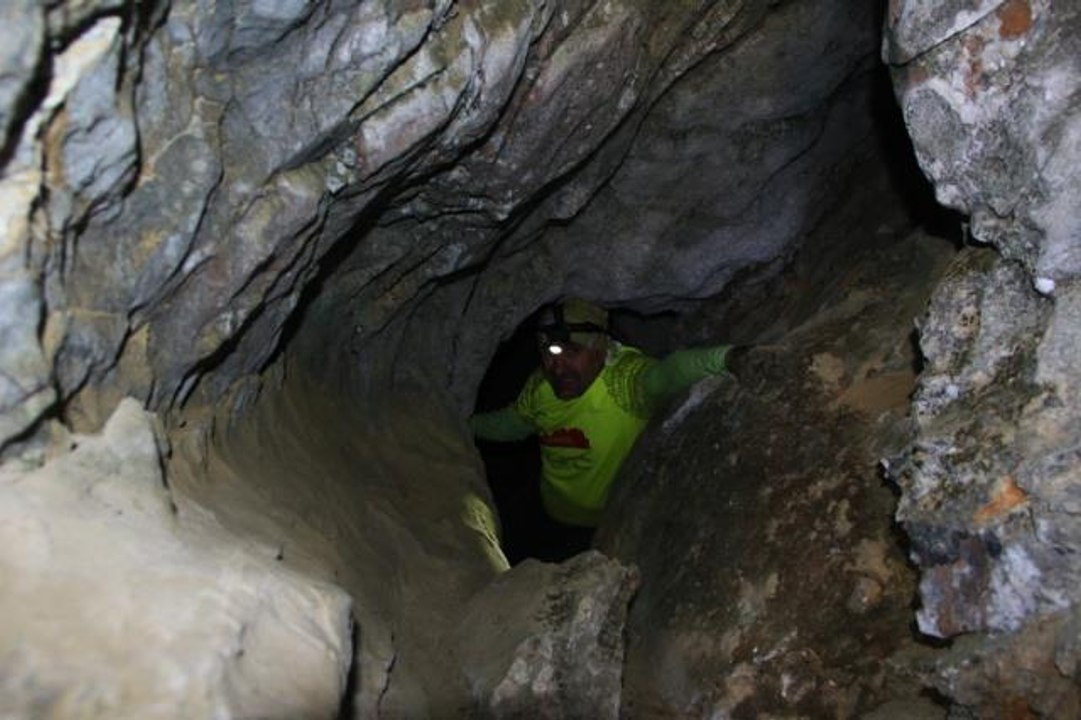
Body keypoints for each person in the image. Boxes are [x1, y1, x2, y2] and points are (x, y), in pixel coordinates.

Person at [470, 297, 746, 558]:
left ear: (601, 348)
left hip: (602, 527)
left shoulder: (623, 384)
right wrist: (462, 424)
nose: (558, 367)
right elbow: (510, 425)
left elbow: (668, 374)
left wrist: (728, 358)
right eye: (549, 353)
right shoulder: (541, 388)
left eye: (573, 352)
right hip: (547, 514)